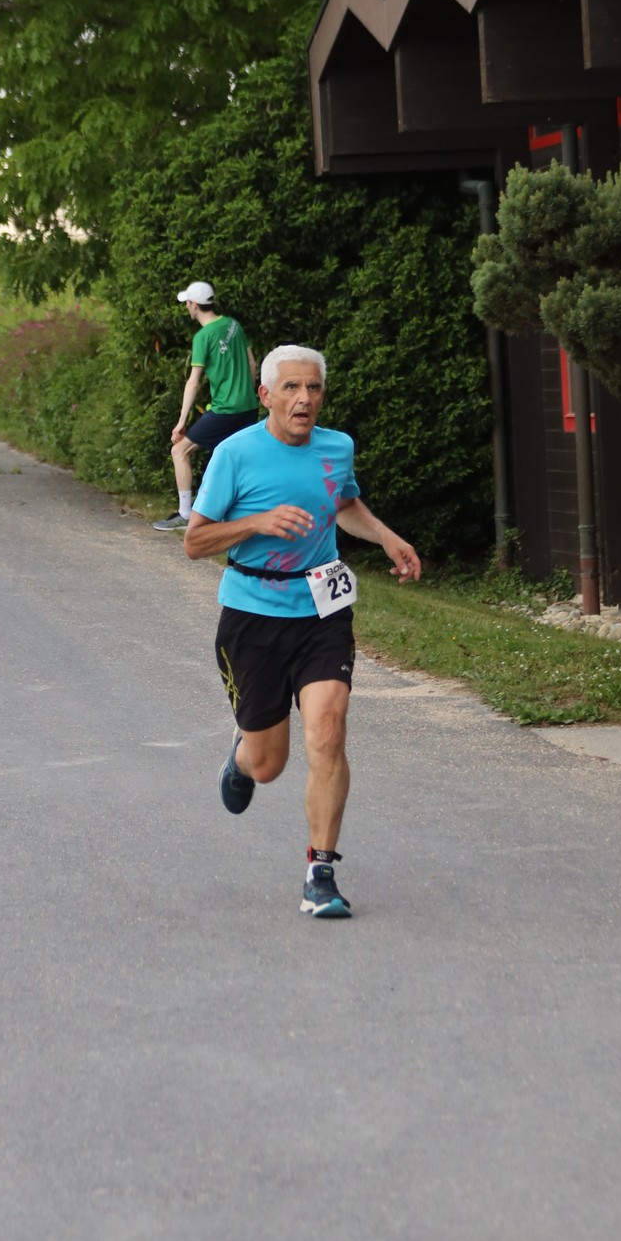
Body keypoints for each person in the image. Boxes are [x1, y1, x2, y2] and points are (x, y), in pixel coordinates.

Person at [185, 343, 421, 919]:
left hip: (321, 612)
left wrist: (386, 536)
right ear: (265, 395)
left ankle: (321, 873)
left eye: (313, 388)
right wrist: (258, 522)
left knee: (329, 729)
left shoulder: (337, 447)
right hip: (252, 616)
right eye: (291, 388)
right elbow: (195, 541)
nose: (304, 399)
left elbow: (343, 504)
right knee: (270, 764)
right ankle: (242, 758)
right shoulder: (234, 453)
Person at [151, 281, 260, 532]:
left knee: (179, 451)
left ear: (193, 305)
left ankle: (185, 514)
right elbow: (252, 363)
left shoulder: (203, 336)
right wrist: (247, 392)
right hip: (248, 407)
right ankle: (231, 516)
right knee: (232, 460)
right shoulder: (233, 325)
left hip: (225, 409)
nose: (187, 308)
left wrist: (181, 422)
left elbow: (193, 382)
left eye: (187, 303)